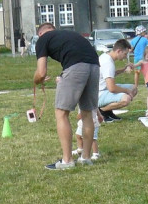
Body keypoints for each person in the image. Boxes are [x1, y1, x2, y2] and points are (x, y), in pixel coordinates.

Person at [33, 22, 101, 170]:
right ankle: (86, 158)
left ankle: (67, 161)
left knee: (61, 113)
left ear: (40, 33)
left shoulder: (43, 39)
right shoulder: (69, 35)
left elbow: (41, 72)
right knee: (87, 113)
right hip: (95, 66)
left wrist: (36, 80)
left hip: (76, 66)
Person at [96, 38, 136, 122]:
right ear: (119, 51)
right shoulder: (108, 63)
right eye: (125, 54)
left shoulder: (106, 56)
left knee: (134, 88)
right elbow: (112, 88)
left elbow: (110, 74)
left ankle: (108, 111)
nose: (125, 57)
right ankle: (102, 111)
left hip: (102, 90)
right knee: (126, 99)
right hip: (99, 94)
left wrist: (123, 69)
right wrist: (127, 91)